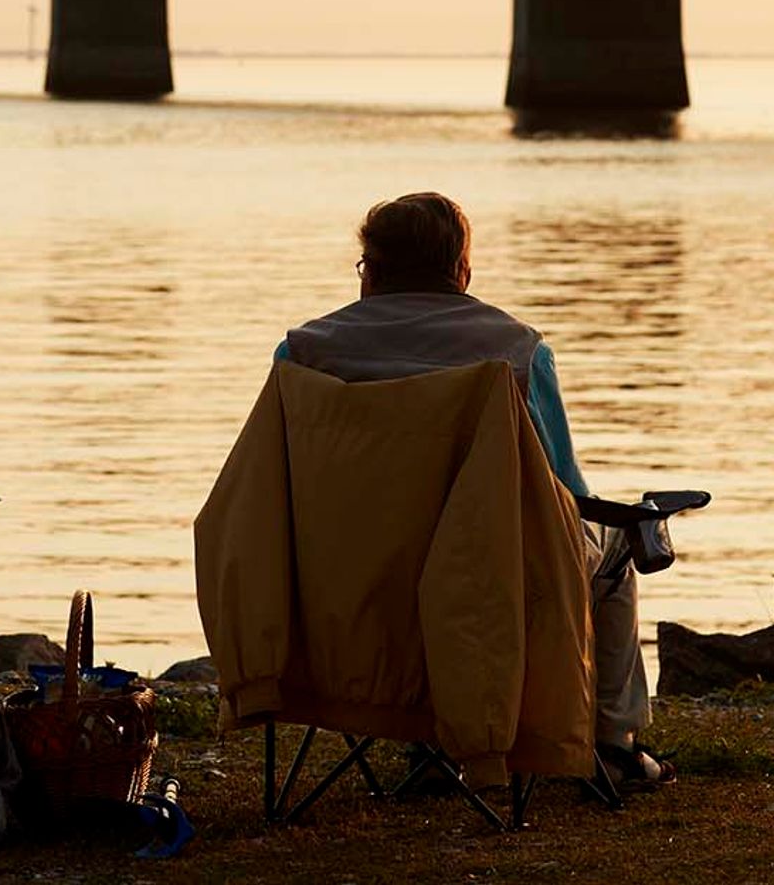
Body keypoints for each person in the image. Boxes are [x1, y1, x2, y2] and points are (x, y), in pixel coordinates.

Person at [275, 192, 671, 788]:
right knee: (611, 547)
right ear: (462, 271)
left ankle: (429, 750)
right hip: (485, 592)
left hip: (339, 590)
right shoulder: (514, 351)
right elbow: (562, 495)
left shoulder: (301, 352)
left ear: (372, 271)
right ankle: (614, 746)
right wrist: (637, 518)